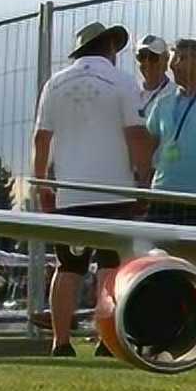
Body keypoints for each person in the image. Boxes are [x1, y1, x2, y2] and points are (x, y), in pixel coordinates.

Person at [33, 22, 151, 358]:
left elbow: (41, 138)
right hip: (115, 189)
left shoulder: (54, 84)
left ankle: (60, 342)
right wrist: (144, 181)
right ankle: (106, 339)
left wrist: (43, 184)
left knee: (68, 266)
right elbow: (136, 134)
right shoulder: (122, 82)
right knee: (110, 265)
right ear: (110, 47)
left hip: (69, 191)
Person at [145, 38, 196, 227]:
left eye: (181, 59)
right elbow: (148, 147)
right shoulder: (162, 103)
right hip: (162, 195)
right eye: (173, 60)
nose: (173, 66)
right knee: (157, 246)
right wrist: (143, 185)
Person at [136, 35, 176, 121]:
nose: (147, 62)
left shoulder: (175, 94)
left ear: (166, 60)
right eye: (142, 57)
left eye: (153, 57)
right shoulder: (132, 90)